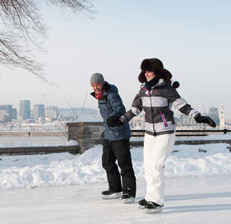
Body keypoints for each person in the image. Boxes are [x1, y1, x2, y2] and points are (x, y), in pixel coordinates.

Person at [107, 58, 216, 213]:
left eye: (149, 71)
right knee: (148, 166)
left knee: (156, 165)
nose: (146, 74)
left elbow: (182, 105)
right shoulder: (143, 90)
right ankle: (150, 196)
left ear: (157, 72)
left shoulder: (166, 88)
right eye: (144, 71)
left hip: (165, 132)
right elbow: (135, 109)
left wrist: (198, 116)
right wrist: (120, 120)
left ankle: (157, 201)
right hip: (150, 133)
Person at [90, 72, 136, 203]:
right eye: (93, 85)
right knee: (107, 162)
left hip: (120, 133)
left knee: (124, 163)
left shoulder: (111, 94)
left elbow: (120, 108)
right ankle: (115, 188)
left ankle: (129, 191)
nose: (96, 87)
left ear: (102, 83)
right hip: (109, 134)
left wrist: (112, 118)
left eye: (97, 84)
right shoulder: (100, 96)